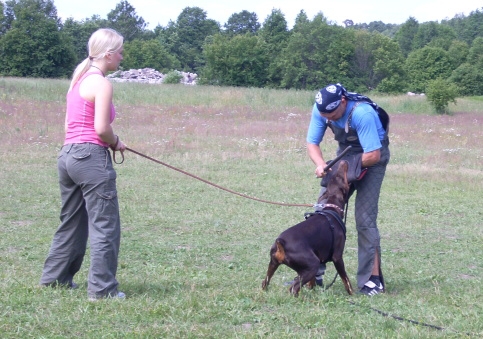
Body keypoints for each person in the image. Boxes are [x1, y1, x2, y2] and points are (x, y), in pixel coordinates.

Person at [40, 28, 127, 301]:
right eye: (120, 53)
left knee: (72, 221)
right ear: (109, 54)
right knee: (105, 225)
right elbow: (101, 128)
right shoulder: (101, 83)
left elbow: (69, 125)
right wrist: (115, 142)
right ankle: (102, 290)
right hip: (90, 158)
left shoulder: (78, 80)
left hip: (67, 155)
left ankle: (55, 279)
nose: (122, 58)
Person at [306, 83, 390, 296]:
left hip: (372, 157)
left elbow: (373, 155)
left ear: (343, 101)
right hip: (346, 155)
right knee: (323, 210)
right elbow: (312, 143)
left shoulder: (363, 114)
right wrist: (321, 164)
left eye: (333, 115)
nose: (329, 119)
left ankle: (372, 280)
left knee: (364, 219)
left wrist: (344, 166)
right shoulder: (322, 110)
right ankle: (313, 270)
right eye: (326, 116)